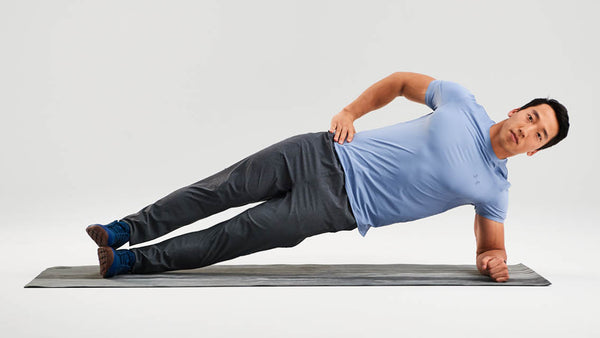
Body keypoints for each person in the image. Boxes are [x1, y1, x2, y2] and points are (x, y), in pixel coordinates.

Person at [86, 72, 570, 282]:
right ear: (516, 110)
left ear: (535, 151)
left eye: (538, 135)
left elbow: (491, 247)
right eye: (530, 118)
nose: (526, 130)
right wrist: (350, 111)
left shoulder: (496, 190)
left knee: (232, 237)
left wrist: (493, 262)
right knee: (218, 189)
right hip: (321, 151)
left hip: (334, 209)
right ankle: (123, 231)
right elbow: (402, 82)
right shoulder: (462, 101)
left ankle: (130, 264)